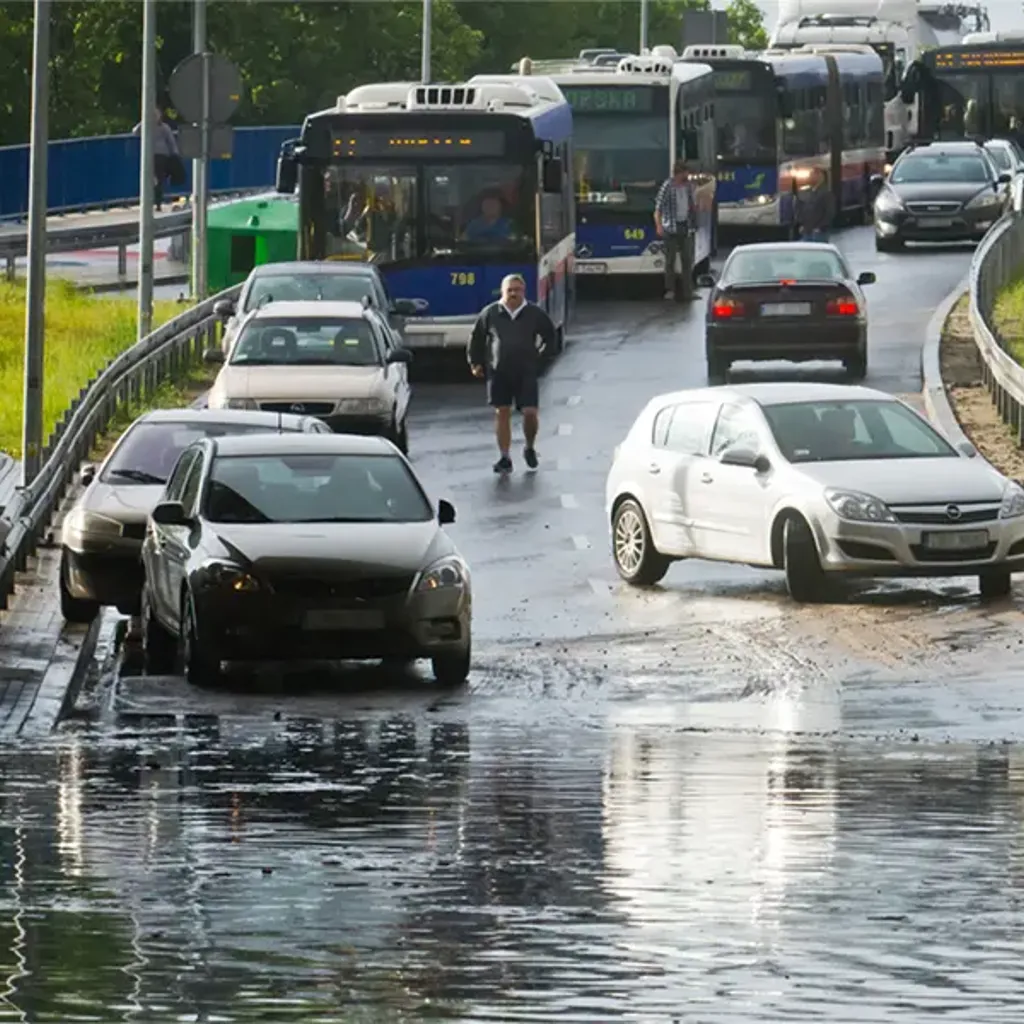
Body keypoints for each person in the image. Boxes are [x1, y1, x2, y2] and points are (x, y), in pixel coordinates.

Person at [467, 274, 557, 474]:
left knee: (530, 413)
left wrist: (540, 361)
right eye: (510, 290)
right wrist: (476, 362)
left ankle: (530, 447)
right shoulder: (491, 313)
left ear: (524, 291)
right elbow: (477, 338)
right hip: (499, 372)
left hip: (526, 372)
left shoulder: (534, 313)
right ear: (502, 291)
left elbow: (551, 337)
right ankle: (505, 457)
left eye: (517, 290)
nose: (514, 294)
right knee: (502, 412)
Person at [653, 159, 696, 301]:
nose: (687, 176)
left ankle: (688, 291)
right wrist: (659, 226)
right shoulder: (667, 186)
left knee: (687, 260)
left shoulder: (689, 186)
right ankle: (670, 290)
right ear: (679, 173)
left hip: (686, 226)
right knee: (670, 260)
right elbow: (658, 208)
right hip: (670, 227)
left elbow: (692, 205)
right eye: (685, 173)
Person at [132, 107, 182, 211]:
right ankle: (153, 201)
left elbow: (170, 141)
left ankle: (156, 201)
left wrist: (174, 154)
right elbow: (135, 132)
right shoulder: (147, 126)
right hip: (150, 155)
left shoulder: (164, 127)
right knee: (153, 179)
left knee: (157, 179)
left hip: (160, 156)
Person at [795, 168, 835, 243]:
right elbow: (802, 208)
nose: (809, 177)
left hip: (819, 233)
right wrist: (802, 224)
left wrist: (820, 227)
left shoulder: (826, 193)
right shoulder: (808, 192)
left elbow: (829, 213)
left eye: (812, 175)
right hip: (807, 231)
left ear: (820, 176)